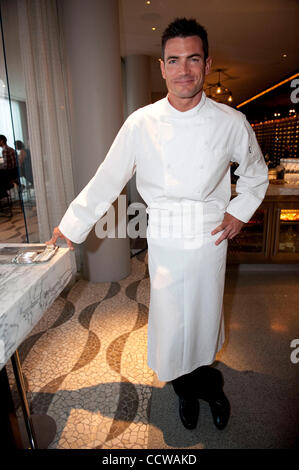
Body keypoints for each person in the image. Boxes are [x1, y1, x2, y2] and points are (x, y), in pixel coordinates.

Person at [46, 18, 269, 431]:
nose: (184, 70)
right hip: (164, 234)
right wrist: (71, 226)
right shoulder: (140, 123)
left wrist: (239, 211)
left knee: (203, 317)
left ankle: (209, 385)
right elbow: (107, 179)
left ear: (206, 63)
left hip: (208, 235)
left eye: (193, 59)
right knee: (172, 319)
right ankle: (185, 388)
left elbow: (256, 173)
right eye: (174, 60)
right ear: (162, 67)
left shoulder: (230, 122)